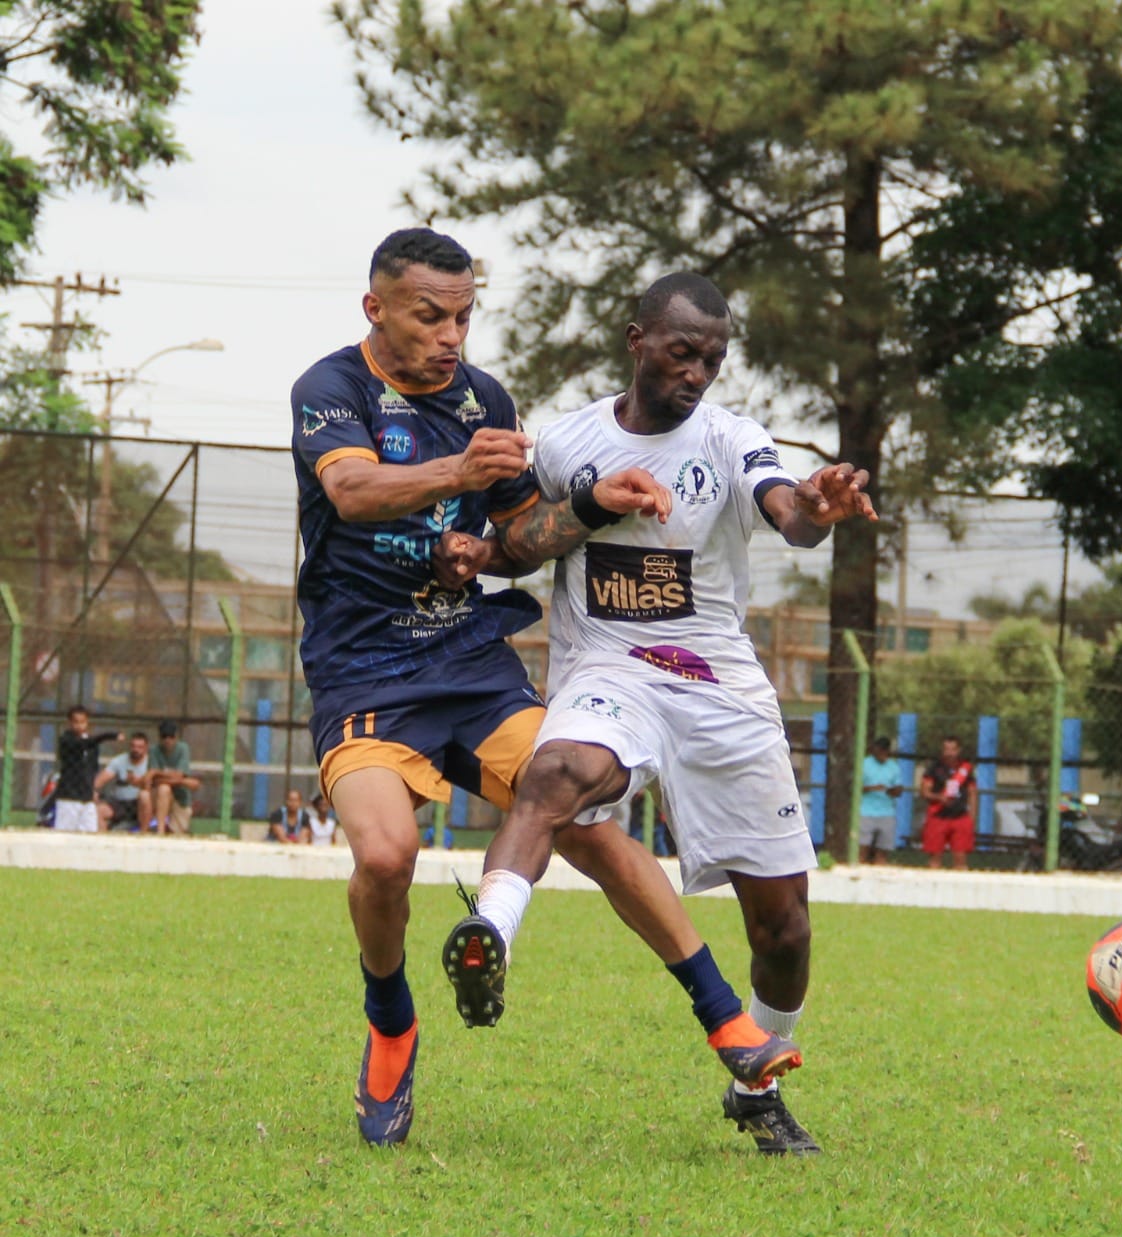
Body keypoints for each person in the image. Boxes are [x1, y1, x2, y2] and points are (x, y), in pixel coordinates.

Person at [293, 232, 792, 1148]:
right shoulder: (332, 391)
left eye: (464, 316)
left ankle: (726, 1021)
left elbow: (525, 530)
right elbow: (356, 494)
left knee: (580, 812)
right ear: (378, 311)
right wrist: (459, 474)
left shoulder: (486, 398)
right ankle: (392, 1019)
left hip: (471, 665)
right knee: (385, 857)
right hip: (363, 669)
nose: (452, 335)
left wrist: (585, 507)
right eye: (430, 315)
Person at [435, 270, 876, 1155]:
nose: (699, 372)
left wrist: (817, 512)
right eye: (682, 352)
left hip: (720, 687)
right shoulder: (569, 443)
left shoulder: (730, 438)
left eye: (713, 358)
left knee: (783, 926)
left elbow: (783, 509)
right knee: (554, 774)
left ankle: (761, 1080)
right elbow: (529, 542)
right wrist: (481, 552)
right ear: (637, 340)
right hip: (611, 671)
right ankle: (491, 933)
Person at [53, 707, 120, 833]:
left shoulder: (91, 744)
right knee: (65, 834)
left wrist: (92, 789)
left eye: (82, 722)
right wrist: (107, 736)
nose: (79, 725)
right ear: (69, 723)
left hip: (87, 798)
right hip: (69, 798)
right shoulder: (66, 740)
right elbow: (82, 744)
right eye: (75, 722)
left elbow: (92, 768)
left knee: (89, 832)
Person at [921, 736, 976, 871]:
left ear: (958, 750)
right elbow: (924, 792)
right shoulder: (934, 768)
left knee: (960, 859)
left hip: (960, 816)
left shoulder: (965, 769)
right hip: (938, 816)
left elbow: (972, 793)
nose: (949, 753)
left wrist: (972, 818)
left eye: (953, 749)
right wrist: (940, 798)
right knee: (935, 860)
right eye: (946, 749)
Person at [147, 719, 200, 835]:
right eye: (164, 736)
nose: (167, 740)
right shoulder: (154, 750)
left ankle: (168, 828)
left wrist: (159, 772)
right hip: (159, 797)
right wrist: (175, 777)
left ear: (176, 736)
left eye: (171, 736)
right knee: (163, 789)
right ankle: (159, 829)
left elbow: (180, 775)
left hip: (180, 798)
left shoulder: (183, 748)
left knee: (177, 832)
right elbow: (153, 780)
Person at [858, 736, 902, 865]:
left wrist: (891, 790)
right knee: (863, 848)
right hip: (866, 811)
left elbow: (898, 788)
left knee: (883, 849)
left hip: (886, 812)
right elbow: (856, 787)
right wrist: (872, 788)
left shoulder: (893, 766)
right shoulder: (865, 764)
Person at [95, 732, 150, 832]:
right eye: (133, 746)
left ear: (146, 748)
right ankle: (102, 841)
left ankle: (144, 834)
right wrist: (94, 791)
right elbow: (101, 779)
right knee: (99, 811)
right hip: (120, 803)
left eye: (140, 747)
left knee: (145, 796)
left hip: (140, 804)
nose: (136, 750)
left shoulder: (151, 762)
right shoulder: (119, 761)